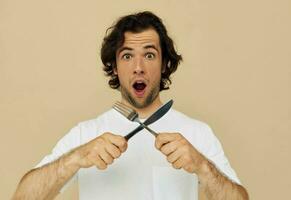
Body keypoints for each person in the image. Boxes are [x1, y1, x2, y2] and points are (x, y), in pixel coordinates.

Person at [13, 11, 249, 200]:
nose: (138, 67)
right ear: (114, 67)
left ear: (165, 64)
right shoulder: (87, 133)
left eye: (149, 55)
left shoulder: (197, 133)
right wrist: (77, 157)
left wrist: (202, 166)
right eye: (127, 56)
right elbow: (22, 197)